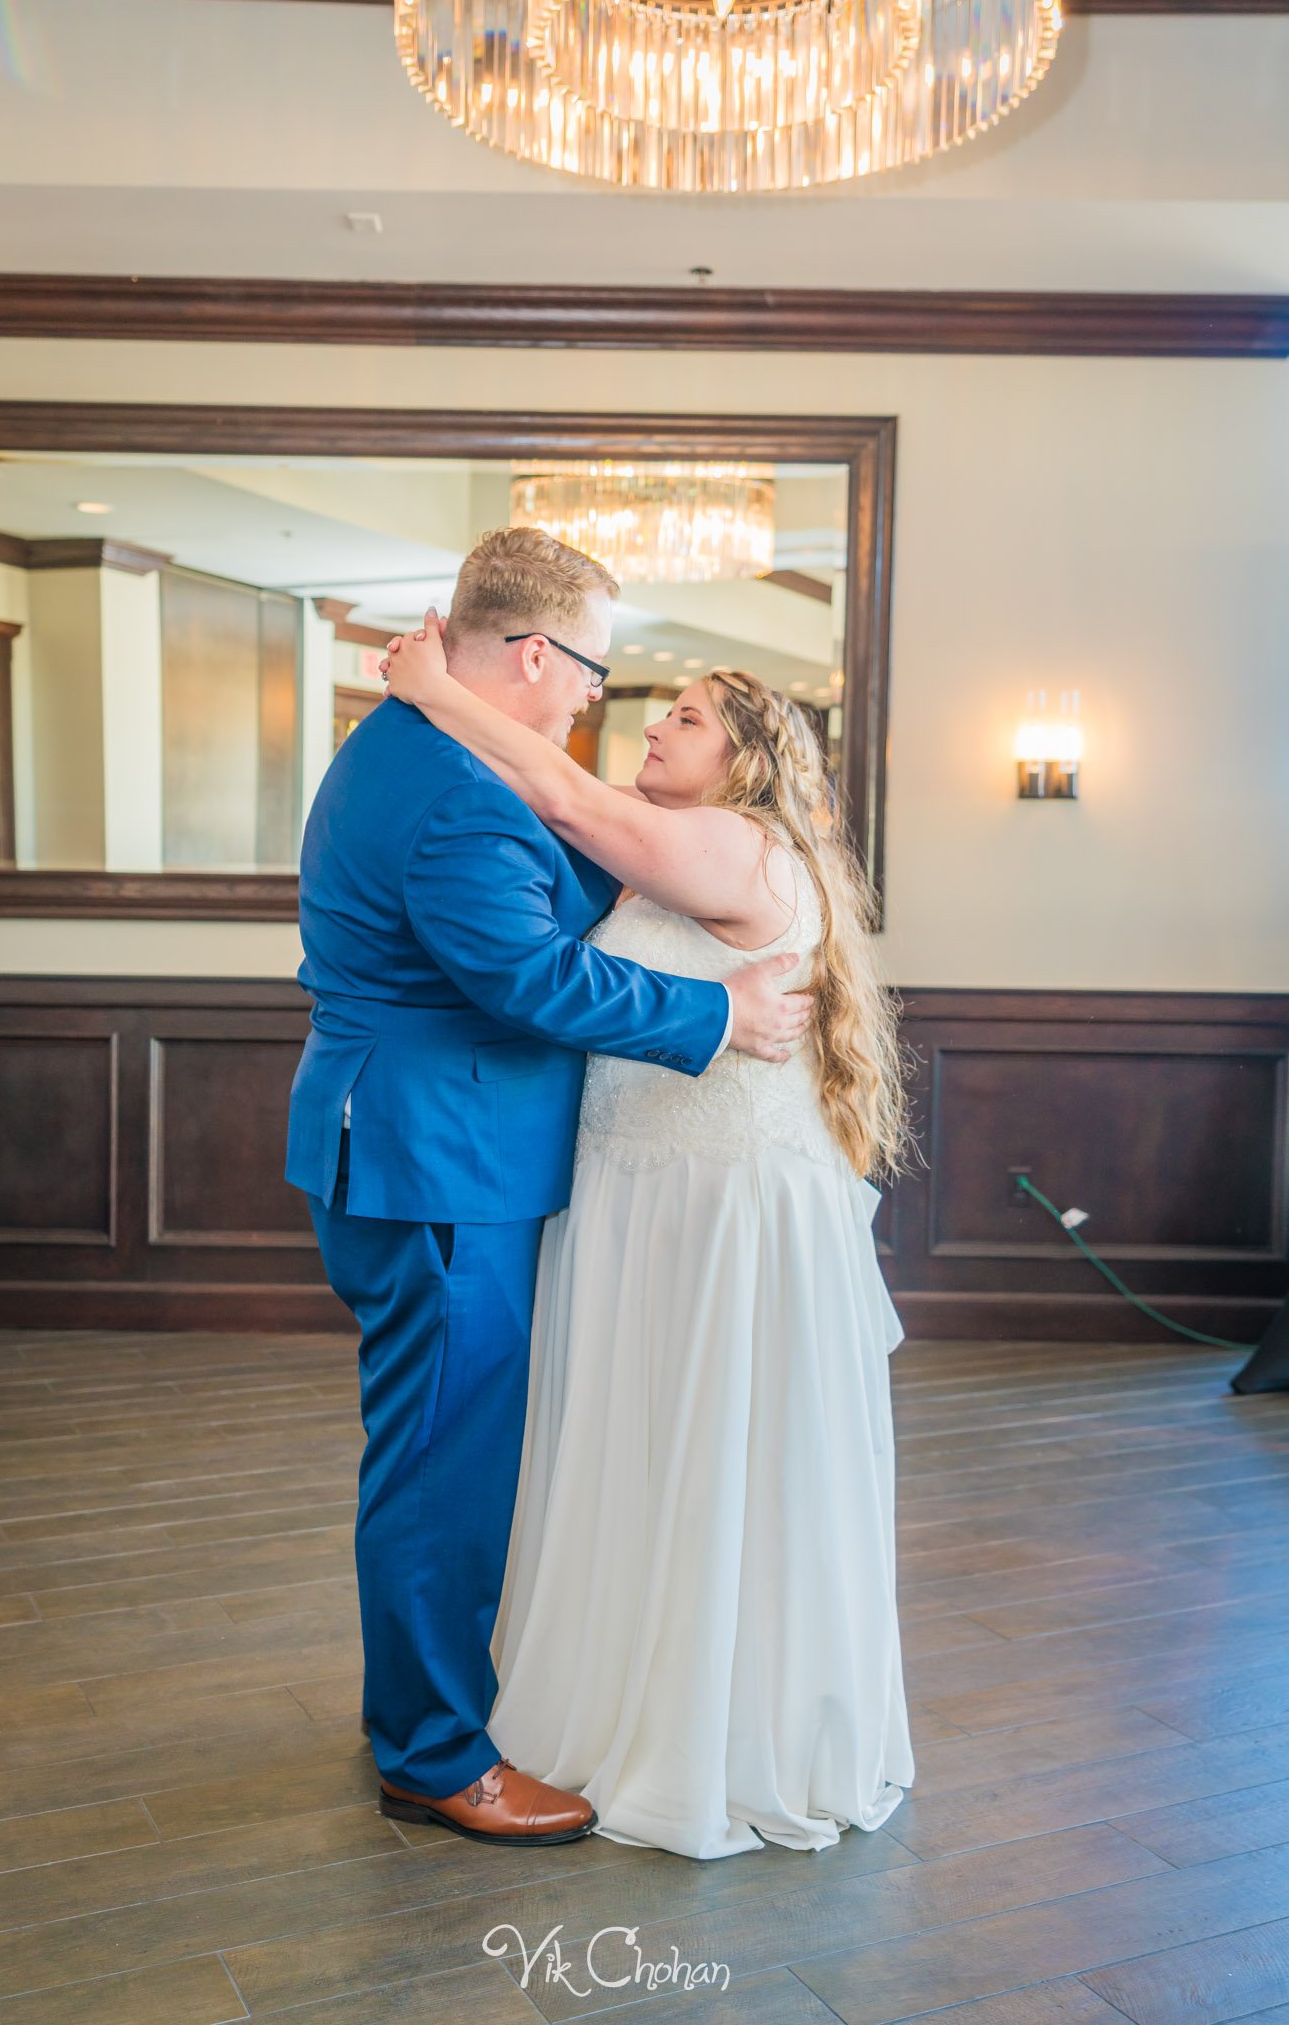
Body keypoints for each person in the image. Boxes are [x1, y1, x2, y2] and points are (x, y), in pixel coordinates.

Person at [285, 528, 812, 1848]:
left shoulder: (426, 750)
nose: (593, 695)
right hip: (435, 1157)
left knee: (429, 1446)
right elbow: (525, 978)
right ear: (532, 653)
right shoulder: (452, 784)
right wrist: (717, 1011)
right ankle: (435, 1754)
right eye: (588, 669)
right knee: (443, 1462)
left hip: (408, 1141)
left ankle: (412, 1705)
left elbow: (569, 871)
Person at [382, 604, 915, 1861]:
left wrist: (430, 686)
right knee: (639, 1446)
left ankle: (709, 1731)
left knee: (705, 1449)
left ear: (745, 761)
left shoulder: (732, 844)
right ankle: (607, 1695)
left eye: (686, 715)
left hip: (712, 1207)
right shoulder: (670, 853)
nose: (654, 723)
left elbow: (567, 804)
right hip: (642, 1196)